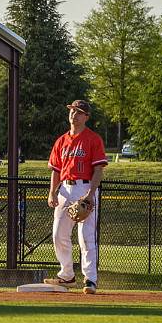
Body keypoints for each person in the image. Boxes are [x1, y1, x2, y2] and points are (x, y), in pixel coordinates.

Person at [45, 100, 108, 295]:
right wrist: (52, 192)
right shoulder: (61, 141)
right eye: (73, 110)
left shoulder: (93, 139)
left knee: (86, 237)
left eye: (79, 112)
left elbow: (98, 169)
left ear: (86, 117)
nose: (74, 114)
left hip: (85, 186)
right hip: (64, 188)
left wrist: (90, 194)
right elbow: (56, 170)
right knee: (58, 234)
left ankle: (90, 279)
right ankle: (67, 275)